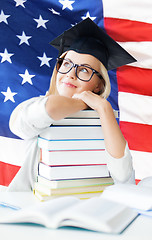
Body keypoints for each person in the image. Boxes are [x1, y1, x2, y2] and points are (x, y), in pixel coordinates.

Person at [7, 18, 136, 191]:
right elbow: (50, 109)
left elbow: (123, 177)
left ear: (99, 85)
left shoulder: (103, 119)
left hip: (86, 205)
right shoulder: (35, 105)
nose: (70, 74)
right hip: (34, 202)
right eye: (66, 64)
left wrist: (105, 109)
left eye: (84, 70)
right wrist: (82, 102)